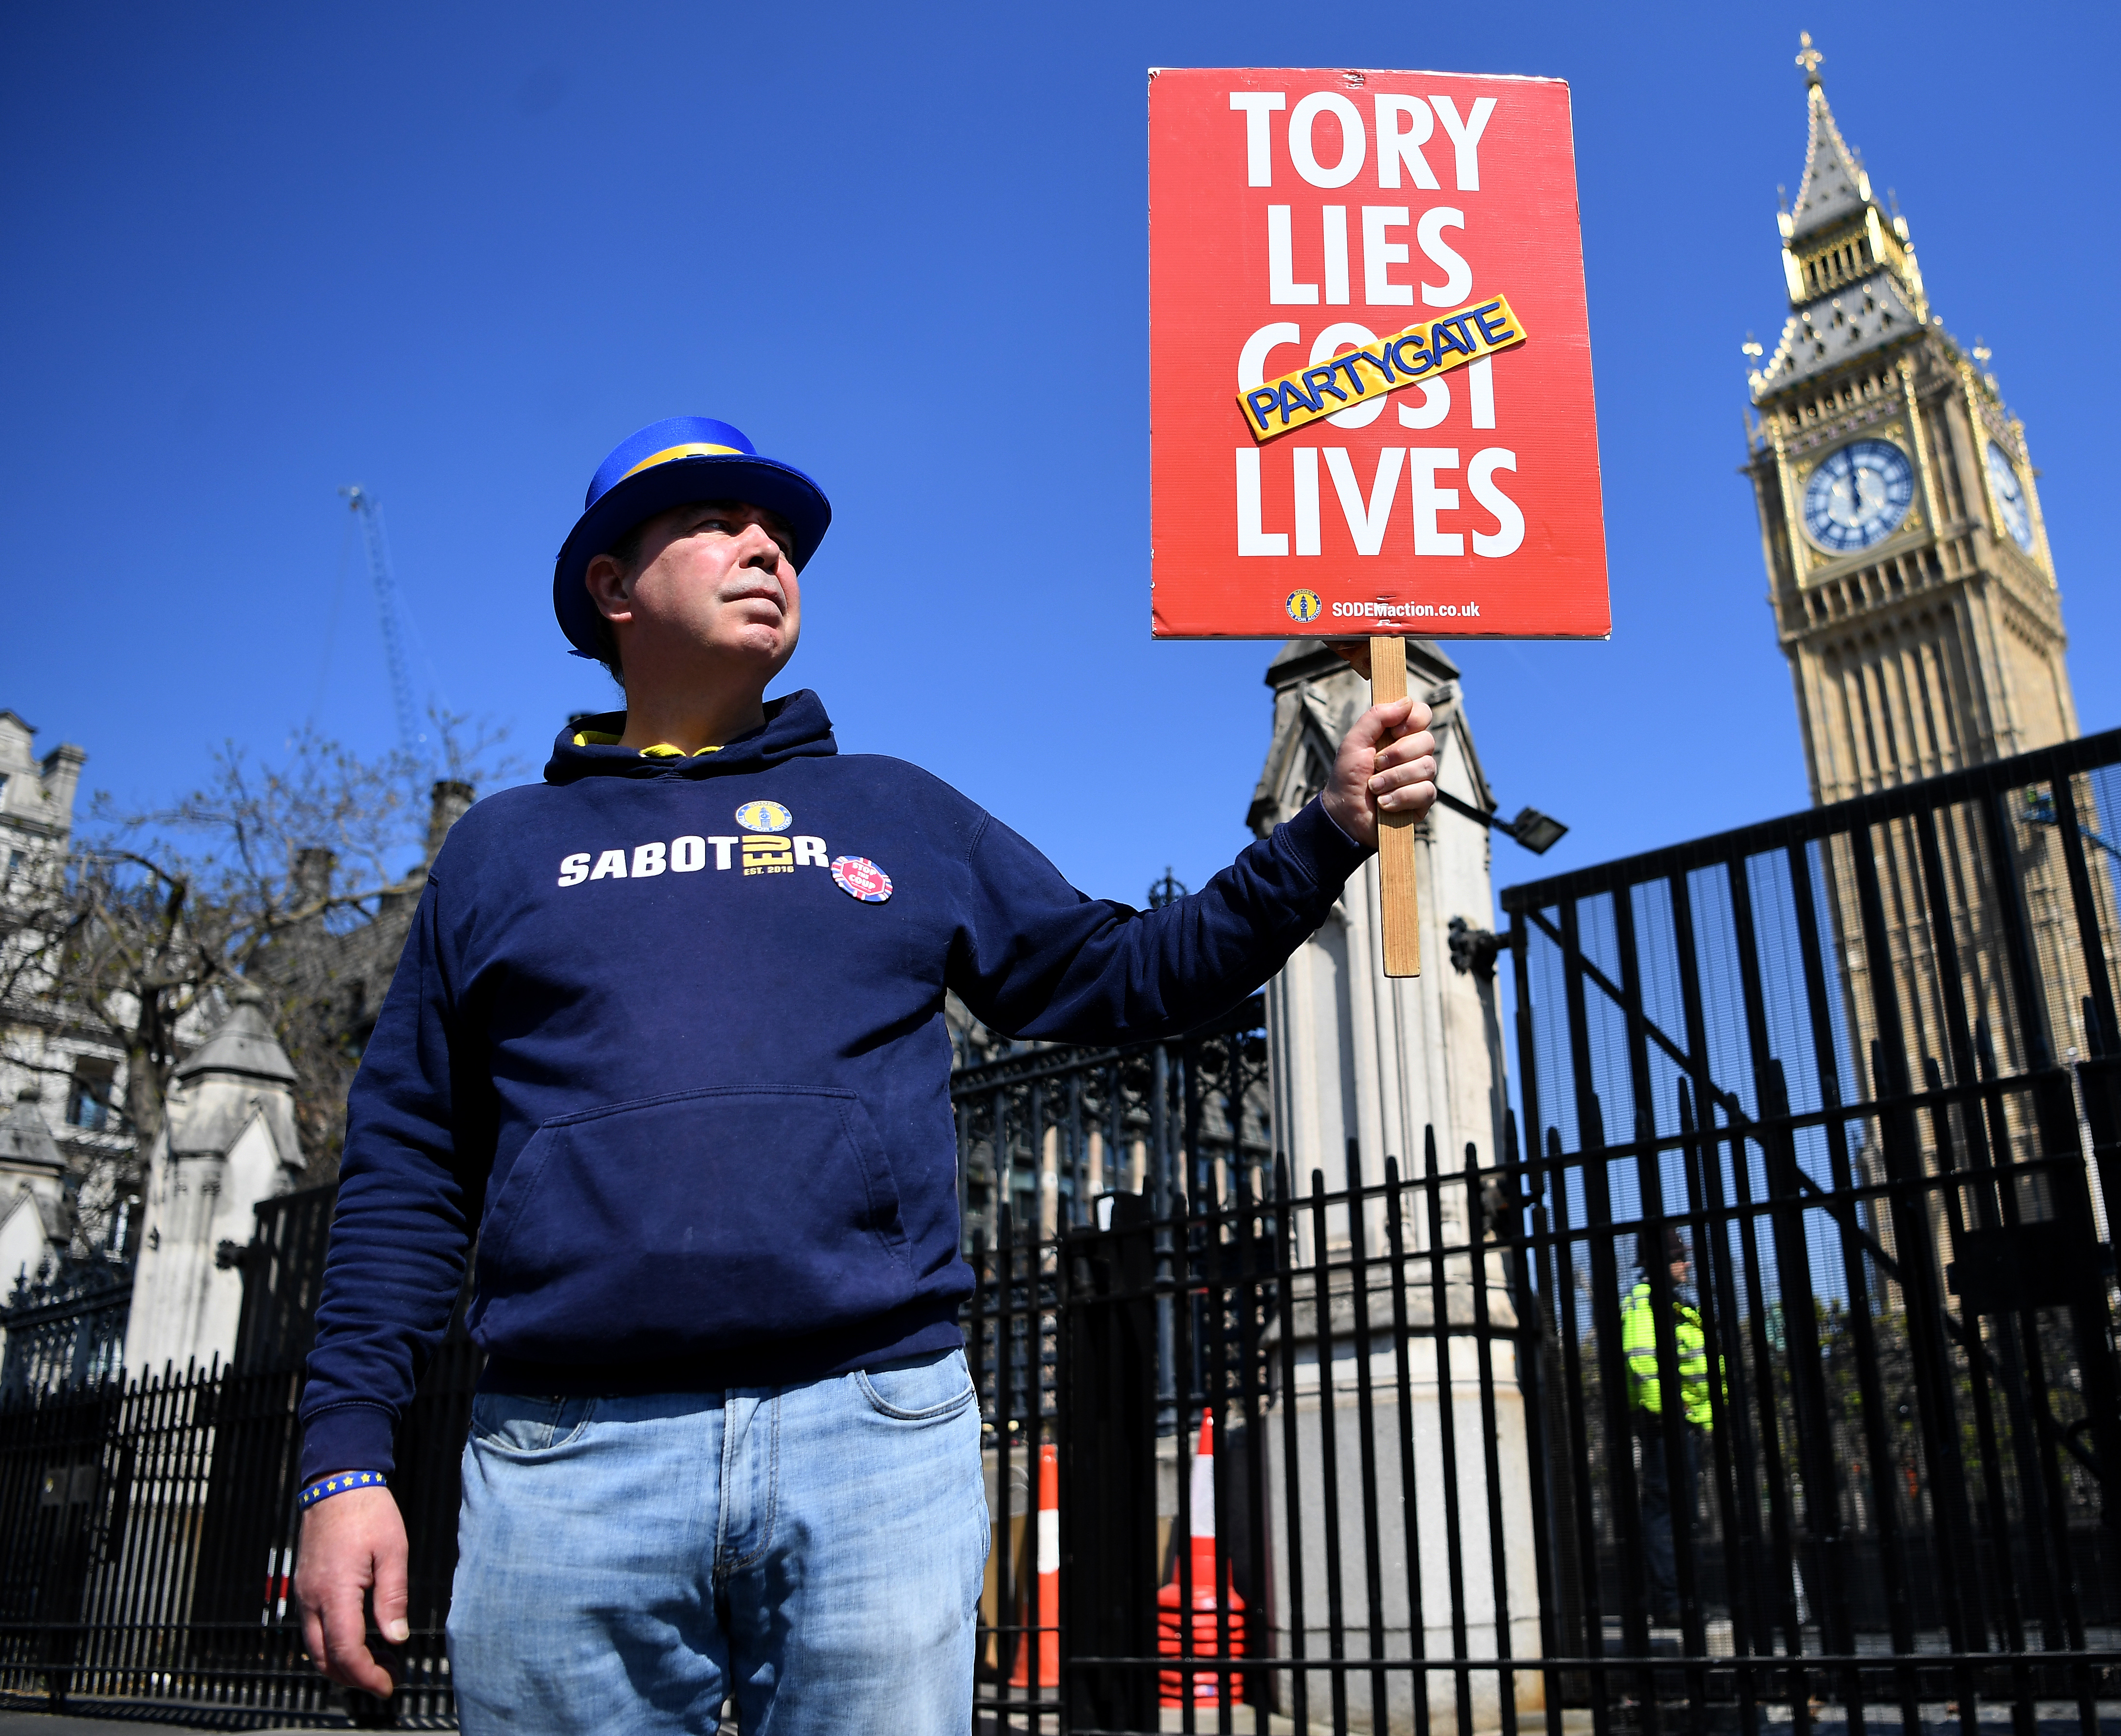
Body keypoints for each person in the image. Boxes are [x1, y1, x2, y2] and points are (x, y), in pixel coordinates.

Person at [288, 417, 1439, 1735]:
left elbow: (1124, 973)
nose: (767, 544)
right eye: (716, 520)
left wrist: (1327, 832)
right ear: (610, 586)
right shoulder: (500, 851)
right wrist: (343, 1461)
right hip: (566, 1454)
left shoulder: (896, 810)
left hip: (874, 1436)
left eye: (782, 532)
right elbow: (406, 1167)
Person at [1621, 1232, 1720, 1625]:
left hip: (1685, 1421)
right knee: (1666, 1511)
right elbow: (1643, 1362)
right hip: (1666, 1423)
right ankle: (1671, 1600)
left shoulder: (1679, 1304)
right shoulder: (1645, 1303)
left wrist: (1706, 1417)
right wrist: (1674, 1409)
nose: (1687, 1264)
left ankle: (1684, 1597)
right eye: (1679, 1257)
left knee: (1684, 1511)